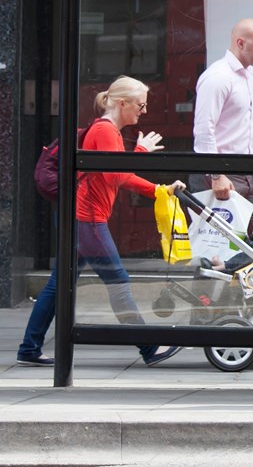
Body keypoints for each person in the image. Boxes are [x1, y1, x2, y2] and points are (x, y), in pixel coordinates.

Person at [79, 76, 185, 366]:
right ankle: (148, 347)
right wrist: (140, 153)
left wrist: (157, 190)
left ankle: (29, 347)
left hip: (82, 218)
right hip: (88, 219)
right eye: (140, 104)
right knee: (119, 281)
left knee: (56, 287)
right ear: (122, 103)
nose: (144, 110)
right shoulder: (106, 131)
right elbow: (116, 175)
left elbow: (120, 176)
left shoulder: (108, 130)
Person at [192, 18, 253, 246]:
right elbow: (204, 129)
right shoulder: (218, 77)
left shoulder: (247, 76)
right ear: (240, 43)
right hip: (222, 172)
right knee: (218, 250)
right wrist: (216, 175)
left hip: (246, 170)